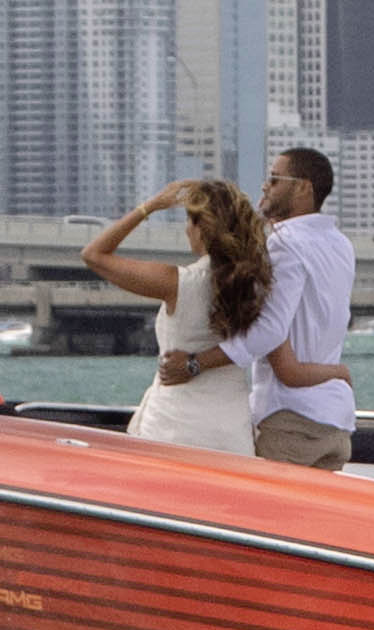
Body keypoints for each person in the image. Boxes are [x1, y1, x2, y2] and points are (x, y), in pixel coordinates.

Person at [78, 177, 272, 453]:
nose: (186, 229)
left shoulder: (179, 283)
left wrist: (151, 206)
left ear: (201, 228)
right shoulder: (256, 284)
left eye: (189, 221)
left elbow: (93, 254)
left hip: (173, 427)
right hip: (231, 431)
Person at [234, 143, 360, 468]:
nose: (265, 186)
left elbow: (273, 331)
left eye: (275, 179)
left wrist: (199, 361)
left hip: (289, 420)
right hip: (335, 422)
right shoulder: (341, 245)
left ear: (304, 188)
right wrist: (337, 371)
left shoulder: (284, 244)